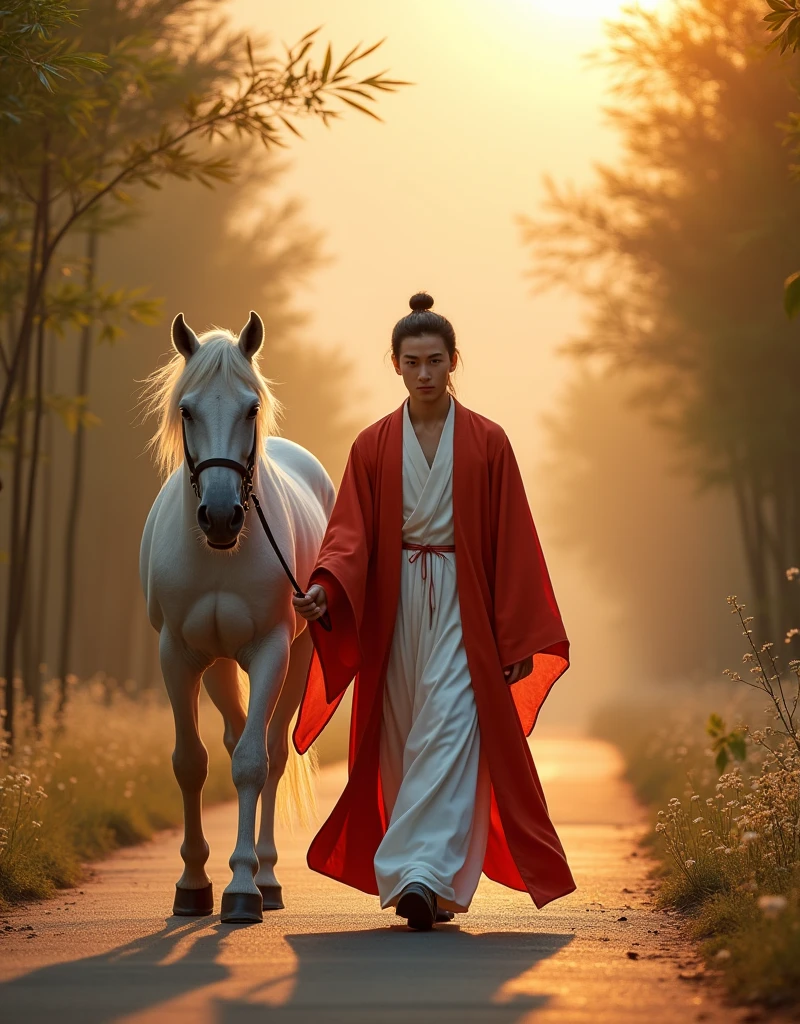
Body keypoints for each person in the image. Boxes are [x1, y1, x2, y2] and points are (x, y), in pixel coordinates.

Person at [292, 292, 575, 931]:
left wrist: (514, 639)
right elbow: (349, 537)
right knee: (399, 739)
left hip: (462, 606)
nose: (425, 373)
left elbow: (514, 544)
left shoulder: (488, 442)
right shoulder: (371, 445)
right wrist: (327, 591)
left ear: (454, 363)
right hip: (392, 608)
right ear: (394, 364)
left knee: (450, 730)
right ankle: (438, 883)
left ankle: (418, 874)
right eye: (413, 361)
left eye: (436, 360)